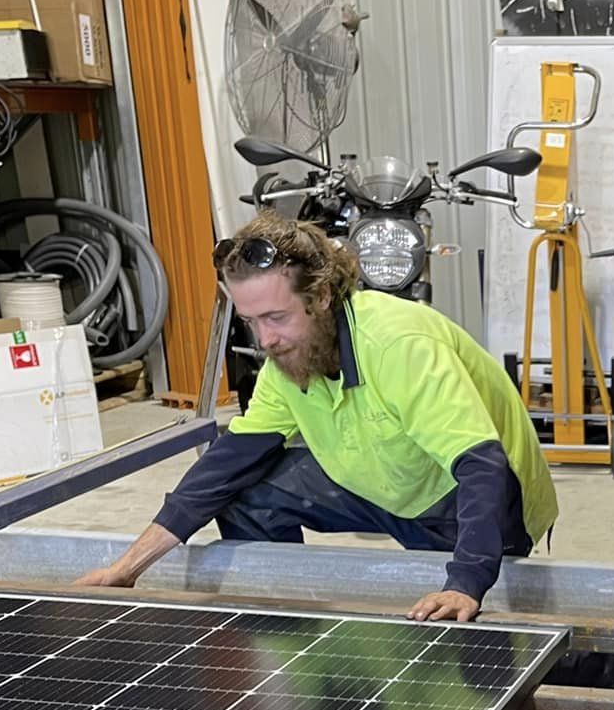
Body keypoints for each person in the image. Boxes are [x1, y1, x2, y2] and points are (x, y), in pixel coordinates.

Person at [76, 213, 558, 622]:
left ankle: (590, 665)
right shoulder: (287, 360)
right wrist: (127, 568)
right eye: (251, 321)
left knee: (480, 652)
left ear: (322, 297)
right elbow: (225, 466)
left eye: (276, 317)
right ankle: (295, 633)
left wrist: (466, 584)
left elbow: (482, 467)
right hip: (384, 481)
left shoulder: (398, 344)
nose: (264, 339)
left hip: (467, 501)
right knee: (245, 492)